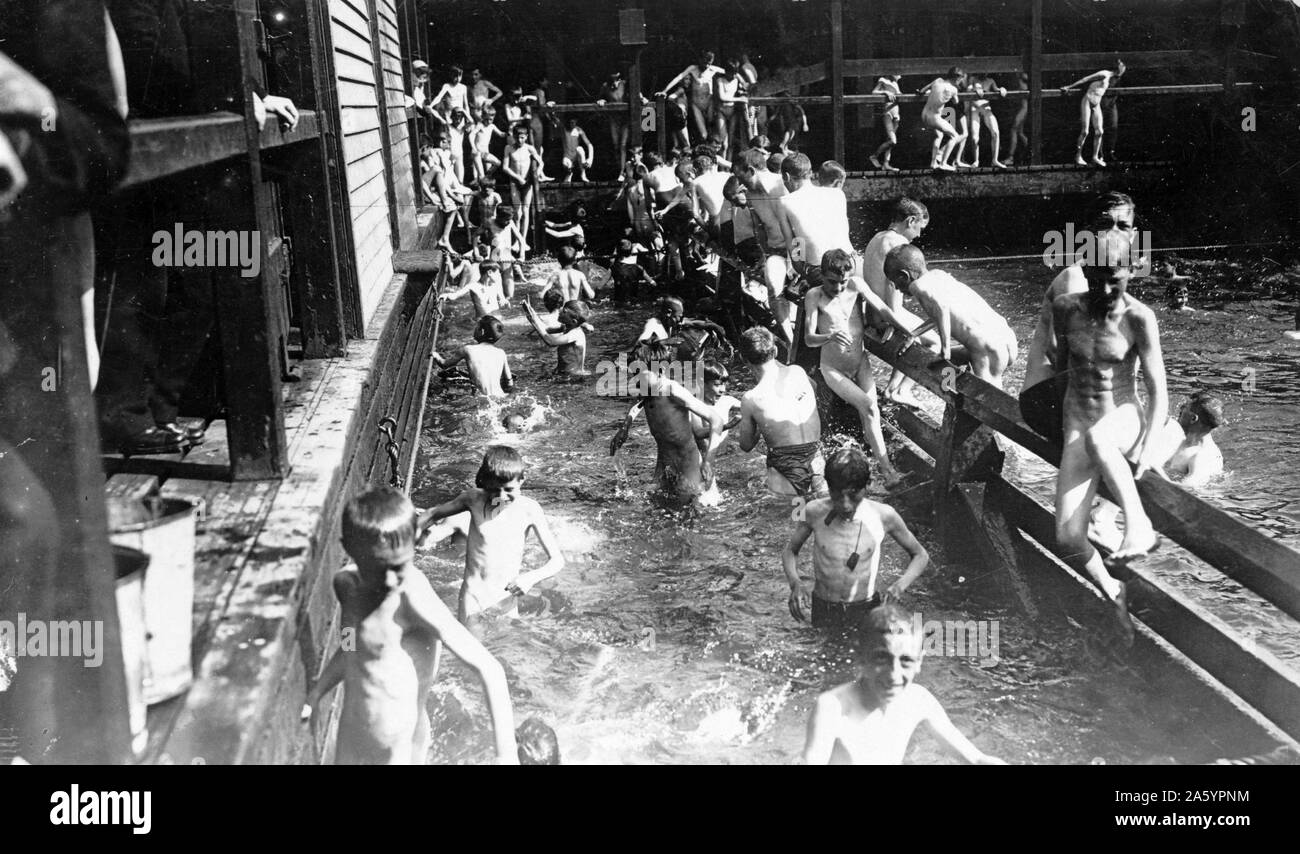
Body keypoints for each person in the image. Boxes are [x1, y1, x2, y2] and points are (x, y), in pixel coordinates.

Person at [306, 487, 518, 764]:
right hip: (352, 737)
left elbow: (490, 669)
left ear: (415, 541)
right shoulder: (346, 585)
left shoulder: (412, 597)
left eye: (400, 566)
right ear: (349, 548)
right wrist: (318, 691)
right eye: (380, 569)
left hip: (400, 751)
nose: (393, 580)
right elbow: (350, 644)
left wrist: (506, 755)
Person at [1051, 229, 1166, 638]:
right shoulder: (1066, 308)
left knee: (1102, 438)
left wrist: (1149, 448)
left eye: (1114, 278)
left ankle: (1139, 525)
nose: (1104, 287)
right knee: (1066, 536)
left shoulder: (1139, 317)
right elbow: (1064, 373)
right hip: (1079, 424)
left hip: (1122, 416)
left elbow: (1158, 394)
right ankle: (1111, 587)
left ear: (1132, 270)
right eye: (1097, 275)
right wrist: (1060, 430)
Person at [802, 604, 1006, 765]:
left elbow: (976, 759)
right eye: (882, 658)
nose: (894, 676)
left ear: (919, 662)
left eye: (906, 661)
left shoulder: (918, 700)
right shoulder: (832, 707)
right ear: (861, 657)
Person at [1019, 192, 1138, 445]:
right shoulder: (1076, 277)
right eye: (1105, 225)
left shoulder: (1110, 276)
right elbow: (1056, 350)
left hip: (1069, 394)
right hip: (1044, 396)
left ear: (1133, 235)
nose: (1114, 232)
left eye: (1123, 226)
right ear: (1089, 233)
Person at [781, 449, 929, 632]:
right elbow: (790, 551)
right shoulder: (813, 511)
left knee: (865, 658)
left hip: (866, 608)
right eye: (837, 495)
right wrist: (795, 582)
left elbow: (920, 554)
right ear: (828, 487)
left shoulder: (885, 515)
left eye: (853, 495)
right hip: (824, 607)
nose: (845, 504)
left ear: (868, 485)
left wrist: (900, 585)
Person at [417, 446, 566, 624]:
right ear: (486, 484)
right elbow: (433, 514)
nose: (501, 497)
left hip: (506, 598)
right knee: (471, 646)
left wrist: (530, 578)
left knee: (505, 649)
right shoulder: (473, 499)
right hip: (473, 596)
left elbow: (557, 560)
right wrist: (405, 541)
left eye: (509, 490)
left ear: (522, 481)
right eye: (494, 490)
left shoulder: (530, 510)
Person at [804, 250, 905, 488]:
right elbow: (809, 338)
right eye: (832, 282)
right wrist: (829, 336)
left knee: (871, 411)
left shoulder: (856, 286)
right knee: (869, 406)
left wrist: (907, 332)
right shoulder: (814, 296)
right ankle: (884, 471)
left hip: (860, 363)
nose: (838, 288)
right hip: (833, 368)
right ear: (822, 275)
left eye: (843, 282)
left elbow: (882, 309)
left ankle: (884, 472)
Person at [608, 340, 728, 505]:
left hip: (688, 463)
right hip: (664, 462)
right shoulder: (646, 388)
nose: (634, 379)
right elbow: (637, 404)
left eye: (638, 373)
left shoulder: (672, 390)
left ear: (660, 370)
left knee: (690, 508)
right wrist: (625, 427)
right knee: (652, 504)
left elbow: (716, 420)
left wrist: (708, 461)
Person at [884, 245, 1018, 389]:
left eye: (895, 282)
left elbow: (941, 308)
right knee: (942, 360)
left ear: (904, 275)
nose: (897, 288)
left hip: (987, 348)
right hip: (1003, 337)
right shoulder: (938, 275)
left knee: (989, 403)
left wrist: (945, 350)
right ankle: (954, 400)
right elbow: (941, 313)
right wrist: (913, 334)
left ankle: (959, 398)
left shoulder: (917, 286)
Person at [734, 327, 828, 497]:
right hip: (816, 457)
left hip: (786, 466)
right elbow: (814, 388)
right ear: (776, 351)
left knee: (793, 519)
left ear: (744, 359)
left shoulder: (751, 398)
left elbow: (746, 445)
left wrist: (759, 423)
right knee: (822, 513)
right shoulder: (798, 372)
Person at [861, 198, 936, 408]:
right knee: (934, 342)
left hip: (871, 313)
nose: (919, 235)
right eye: (920, 228)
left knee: (921, 331)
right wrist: (898, 327)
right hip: (885, 316)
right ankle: (900, 389)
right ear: (911, 220)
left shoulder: (877, 237)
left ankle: (892, 390)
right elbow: (894, 305)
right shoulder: (897, 246)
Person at [778, 153, 856, 282]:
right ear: (810, 173)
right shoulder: (837, 193)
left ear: (786, 177)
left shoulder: (784, 202)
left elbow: (794, 249)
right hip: (852, 263)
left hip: (822, 270)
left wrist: (804, 274)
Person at [1060, 59, 1125, 167]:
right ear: (1118, 68)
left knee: (1099, 131)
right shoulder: (1104, 74)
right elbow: (1085, 79)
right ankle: (1078, 156)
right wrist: (1069, 87)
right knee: (1085, 131)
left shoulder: (1113, 79)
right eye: (1122, 67)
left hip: (1096, 104)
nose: (1123, 69)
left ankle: (1095, 157)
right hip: (1088, 101)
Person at [433, 315, 514, 399]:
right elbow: (509, 383)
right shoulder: (501, 353)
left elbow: (444, 364)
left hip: (482, 398)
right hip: (501, 396)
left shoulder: (467, 350)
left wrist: (435, 355)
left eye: (477, 327)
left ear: (481, 331)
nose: (475, 329)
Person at [657, 50, 724, 146]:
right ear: (700, 60)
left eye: (709, 64)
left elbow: (733, 73)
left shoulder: (713, 69)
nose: (706, 66)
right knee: (703, 134)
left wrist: (745, 84)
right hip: (696, 104)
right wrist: (664, 91)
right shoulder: (693, 68)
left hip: (709, 103)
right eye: (705, 63)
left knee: (711, 127)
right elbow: (678, 77)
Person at [522, 298, 591, 378]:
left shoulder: (576, 333)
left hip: (573, 376)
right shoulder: (566, 327)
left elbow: (551, 342)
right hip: (563, 373)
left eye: (564, 311)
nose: (559, 311)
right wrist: (531, 312)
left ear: (573, 321)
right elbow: (545, 330)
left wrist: (533, 319)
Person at [503, 123, 545, 239]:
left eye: (522, 137)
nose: (520, 140)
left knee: (526, 211)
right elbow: (505, 167)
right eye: (517, 137)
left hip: (527, 183)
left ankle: (523, 239)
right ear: (513, 136)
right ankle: (517, 241)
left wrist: (537, 173)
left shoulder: (529, 149)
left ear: (526, 137)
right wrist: (518, 178)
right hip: (515, 182)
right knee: (518, 212)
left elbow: (541, 162)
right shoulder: (509, 148)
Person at [918, 67, 965, 171]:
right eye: (960, 79)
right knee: (955, 136)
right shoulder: (953, 89)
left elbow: (922, 91)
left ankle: (933, 163)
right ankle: (943, 163)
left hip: (924, 114)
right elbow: (956, 102)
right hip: (934, 118)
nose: (961, 81)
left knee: (938, 135)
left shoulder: (937, 80)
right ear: (957, 78)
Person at [960, 74, 1007, 169]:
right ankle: (976, 160)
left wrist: (1001, 89)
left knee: (995, 132)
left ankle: (995, 160)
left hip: (986, 109)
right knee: (974, 137)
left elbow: (996, 89)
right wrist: (974, 90)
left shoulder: (990, 80)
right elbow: (968, 89)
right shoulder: (973, 78)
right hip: (974, 109)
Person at [481, 205, 527, 299]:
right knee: (494, 295)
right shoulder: (489, 222)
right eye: (506, 220)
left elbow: (521, 240)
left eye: (509, 220)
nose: (507, 222)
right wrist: (476, 252)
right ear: (499, 217)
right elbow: (475, 236)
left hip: (507, 262)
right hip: (494, 262)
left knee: (510, 295)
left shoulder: (510, 223)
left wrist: (522, 256)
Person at [439, 259, 506, 317]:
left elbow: (502, 298)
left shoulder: (495, 285)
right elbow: (455, 295)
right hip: (483, 321)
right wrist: (446, 295)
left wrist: (504, 301)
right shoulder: (473, 286)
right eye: (497, 273)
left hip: (498, 319)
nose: (499, 275)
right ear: (489, 272)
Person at [712, 56, 749, 159]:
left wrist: (742, 88)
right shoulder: (720, 80)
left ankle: (728, 167)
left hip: (732, 113)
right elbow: (722, 97)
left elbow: (746, 86)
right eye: (730, 73)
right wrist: (739, 99)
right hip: (722, 112)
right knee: (723, 143)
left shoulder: (736, 78)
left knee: (731, 142)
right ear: (726, 71)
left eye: (734, 73)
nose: (732, 75)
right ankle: (722, 167)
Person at [869, 75, 902, 172]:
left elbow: (899, 95)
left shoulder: (896, 83)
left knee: (890, 142)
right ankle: (874, 156)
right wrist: (885, 92)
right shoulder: (883, 80)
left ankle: (886, 164)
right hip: (887, 112)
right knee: (893, 140)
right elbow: (874, 92)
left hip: (896, 112)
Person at [596, 69, 630, 163]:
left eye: (616, 72)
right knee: (615, 144)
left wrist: (642, 98)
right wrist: (602, 100)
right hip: (613, 119)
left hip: (625, 118)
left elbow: (635, 93)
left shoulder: (624, 83)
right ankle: (618, 165)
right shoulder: (605, 86)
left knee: (623, 144)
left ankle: (622, 171)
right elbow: (600, 98)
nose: (614, 74)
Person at [611, 238, 657, 303]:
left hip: (619, 296)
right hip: (632, 272)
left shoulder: (614, 268)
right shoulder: (639, 268)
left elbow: (612, 260)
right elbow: (652, 283)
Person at [470, 106, 506, 183]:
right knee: (481, 175)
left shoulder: (492, 126)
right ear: (482, 117)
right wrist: (473, 148)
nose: (488, 122)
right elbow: (471, 135)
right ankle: (480, 186)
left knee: (498, 163)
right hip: (477, 153)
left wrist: (506, 134)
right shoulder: (480, 125)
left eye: (491, 119)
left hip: (485, 152)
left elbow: (501, 134)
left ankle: (486, 176)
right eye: (486, 119)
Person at [1004, 71, 1030, 165]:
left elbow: (1024, 77)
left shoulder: (1024, 78)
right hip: (1020, 108)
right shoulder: (1019, 78)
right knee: (1020, 132)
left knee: (1014, 130)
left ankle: (1010, 157)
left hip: (1023, 109)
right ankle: (1029, 152)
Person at [560, 116, 595, 183]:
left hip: (576, 156)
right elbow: (555, 120)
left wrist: (590, 158)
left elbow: (589, 144)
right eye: (571, 122)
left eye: (574, 122)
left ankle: (583, 173)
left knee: (580, 149)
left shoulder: (578, 130)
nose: (572, 124)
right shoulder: (564, 129)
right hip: (567, 157)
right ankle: (569, 175)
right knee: (567, 165)